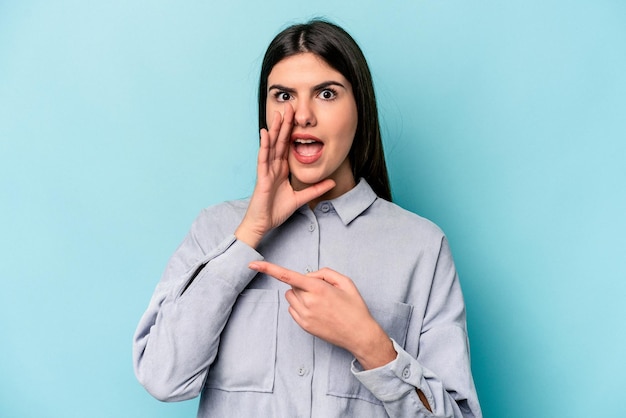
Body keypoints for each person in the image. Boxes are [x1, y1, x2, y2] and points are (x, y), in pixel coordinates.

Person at [133, 19, 482, 418]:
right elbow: (162, 377)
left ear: (360, 109)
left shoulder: (421, 246)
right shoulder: (214, 229)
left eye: (327, 93)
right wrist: (249, 234)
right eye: (283, 95)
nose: (302, 115)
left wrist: (370, 343)